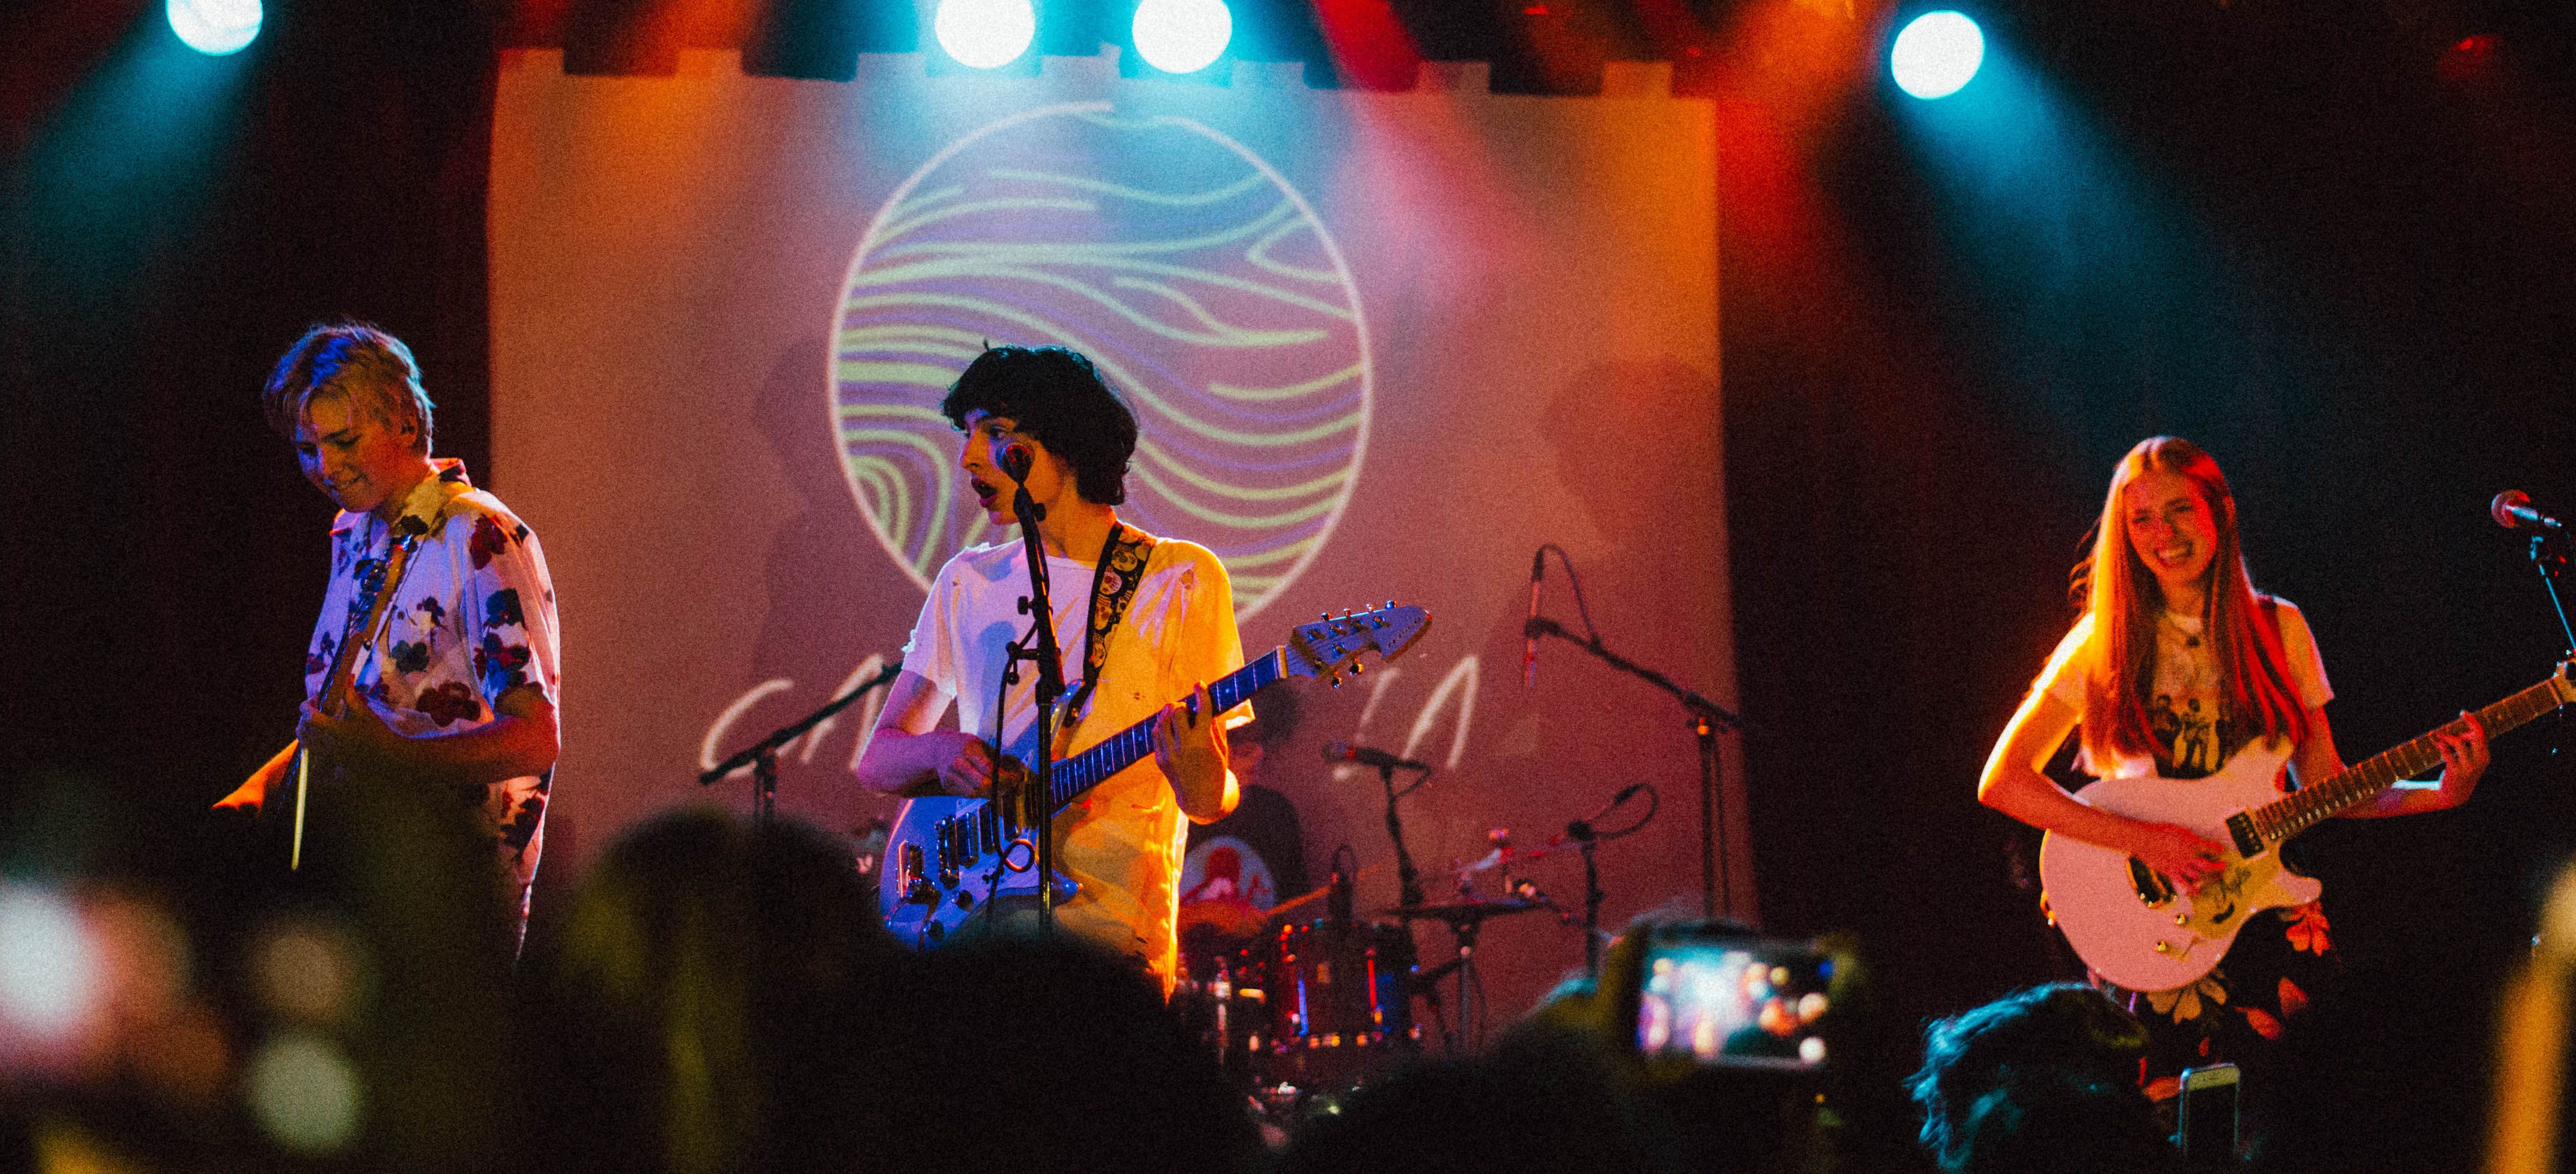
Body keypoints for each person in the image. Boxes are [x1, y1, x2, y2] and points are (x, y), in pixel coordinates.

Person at [1978, 436, 2488, 1095]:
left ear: (2218, 512)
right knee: (2163, 1120)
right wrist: (2146, 841)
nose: (2163, 534)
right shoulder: (2102, 641)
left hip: (2269, 909)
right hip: (2151, 925)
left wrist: (2442, 792)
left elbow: (2325, 787)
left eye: (2179, 510)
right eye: (2141, 519)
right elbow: (2003, 780)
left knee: (2304, 1105)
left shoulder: (2280, 628)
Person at [855, 345, 1244, 990]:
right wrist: (943, 751)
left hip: (1115, 945)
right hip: (981, 939)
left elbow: (1209, 801)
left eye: (996, 432)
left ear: (1066, 442)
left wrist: (1203, 772)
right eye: (966, 433)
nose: (969, 457)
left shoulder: (1181, 577)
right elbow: (878, 761)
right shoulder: (967, 581)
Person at [217, 322, 562, 940]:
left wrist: (395, 758)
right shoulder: (354, 533)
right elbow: (346, 725)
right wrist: (255, 794)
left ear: (404, 422)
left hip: (447, 897)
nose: (325, 466)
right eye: (307, 449)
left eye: (344, 440)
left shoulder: (478, 532)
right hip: (359, 884)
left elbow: (535, 740)